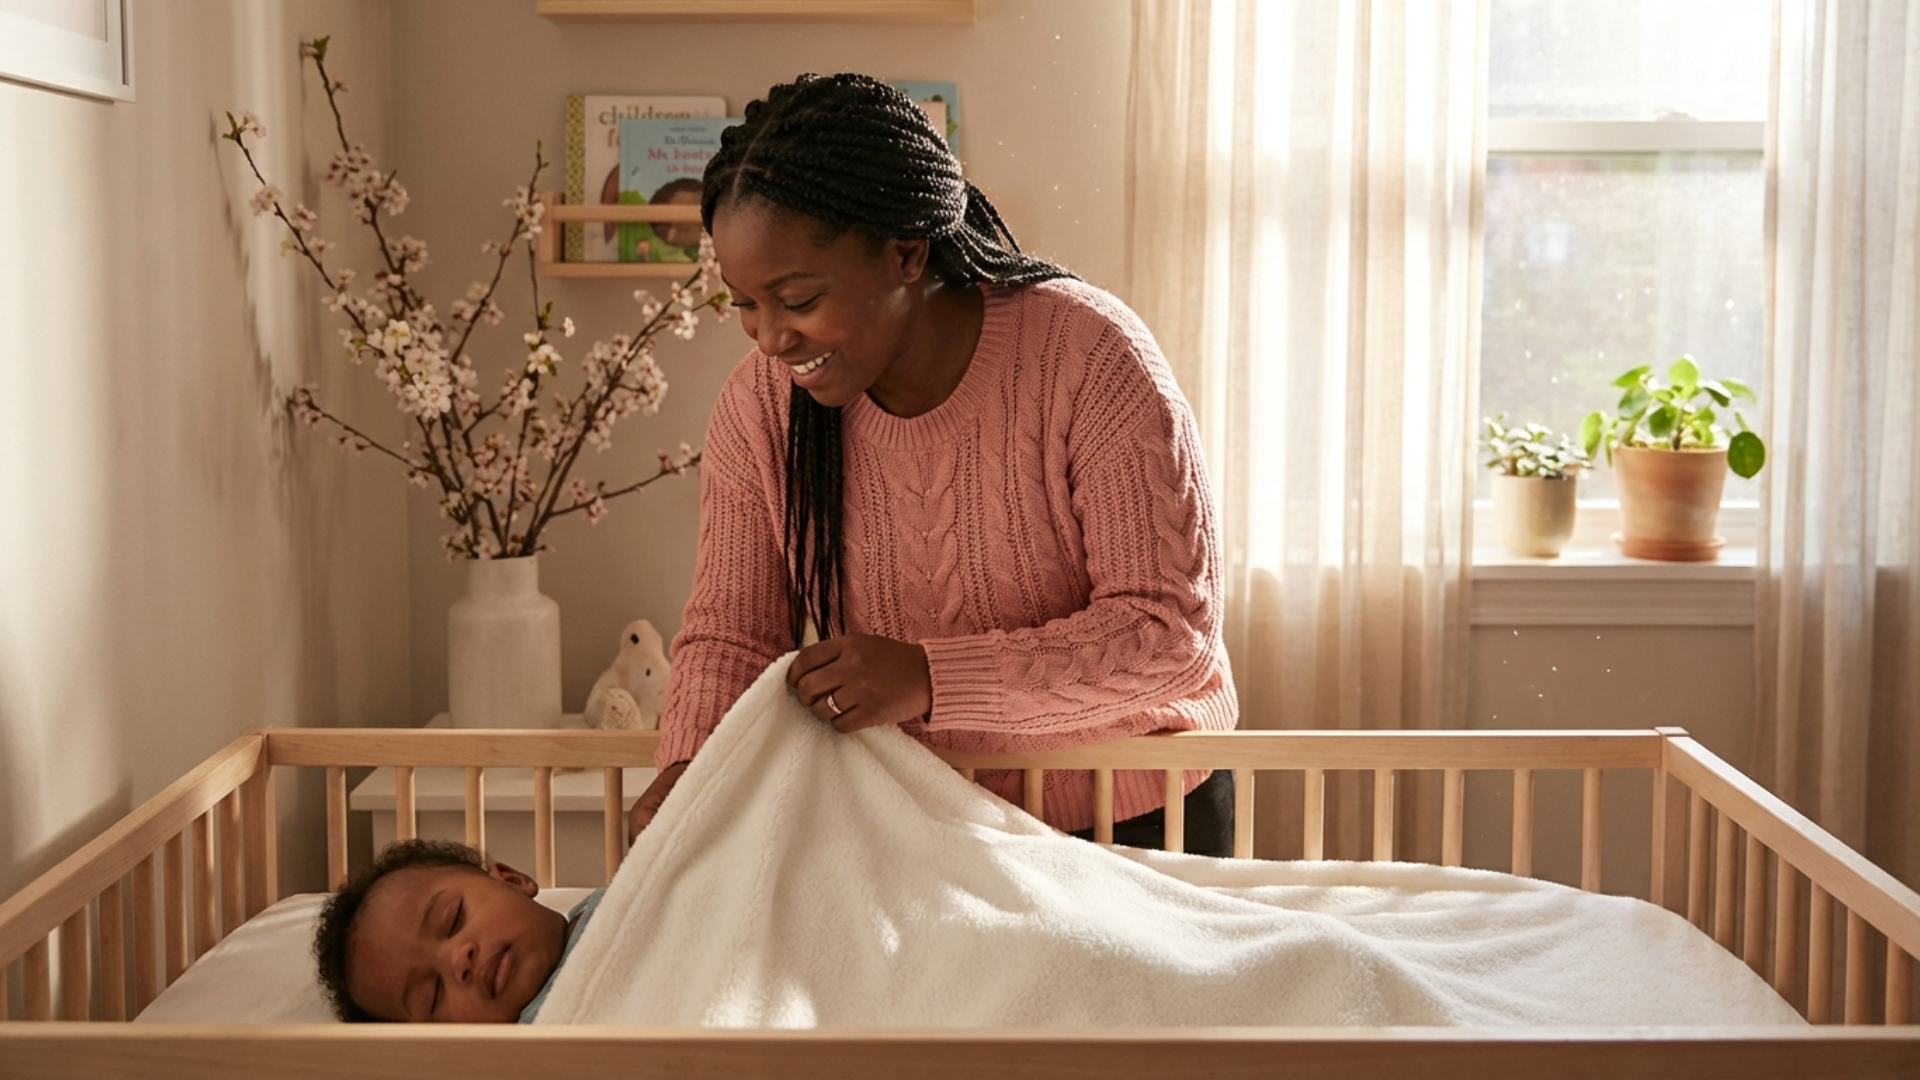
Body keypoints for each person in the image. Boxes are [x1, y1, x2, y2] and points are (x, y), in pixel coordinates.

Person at [632, 73, 1237, 852]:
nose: (770, 338)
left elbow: (1168, 635)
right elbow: (733, 638)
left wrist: (930, 677)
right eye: (745, 303)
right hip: (928, 828)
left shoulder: (1089, 356)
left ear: (906, 254)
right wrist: (689, 767)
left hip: (1141, 812)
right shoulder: (760, 405)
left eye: (798, 298)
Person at [312, 840, 602, 1023]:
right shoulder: (525, 1058)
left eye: (452, 920)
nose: (458, 960)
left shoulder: (621, 898)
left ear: (513, 881)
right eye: (433, 993)